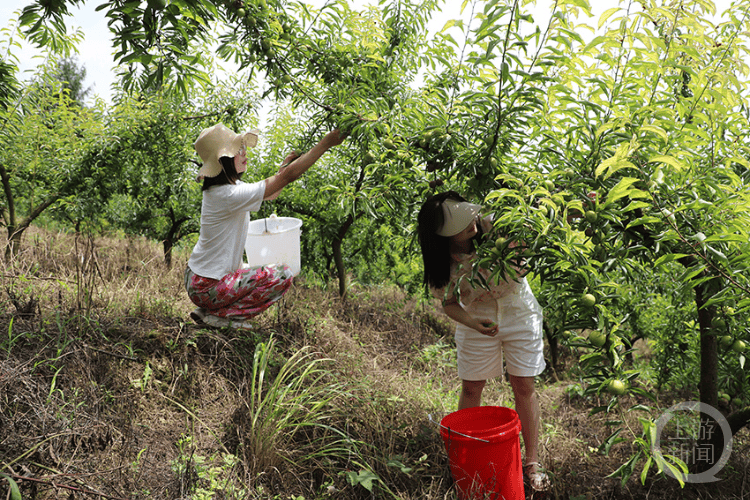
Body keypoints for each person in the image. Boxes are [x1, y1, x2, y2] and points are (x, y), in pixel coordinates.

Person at [417, 190, 550, 492]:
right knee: (472, 386)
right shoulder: (442, 262)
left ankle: (532, 461)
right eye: (460, 224)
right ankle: (465, 456)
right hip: (475, 316)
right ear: (443, 235)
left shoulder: (494, 227)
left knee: (524, 385)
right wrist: (472, 323)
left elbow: (540, 220)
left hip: (518, 309)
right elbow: (449, 302)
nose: (471, 223)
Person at [185, 123, 345, 328]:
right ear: (223, 161)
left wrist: (283, 170)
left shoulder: (226, 189)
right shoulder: (228, 194)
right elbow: (287, 179)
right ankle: (222, 316)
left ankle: (211, 309)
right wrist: (325, 144)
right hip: (208, 285)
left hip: (200, 280)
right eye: (238, 150)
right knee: (282, 274)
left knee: (260, 268)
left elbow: (272, 191)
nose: (244, 154)